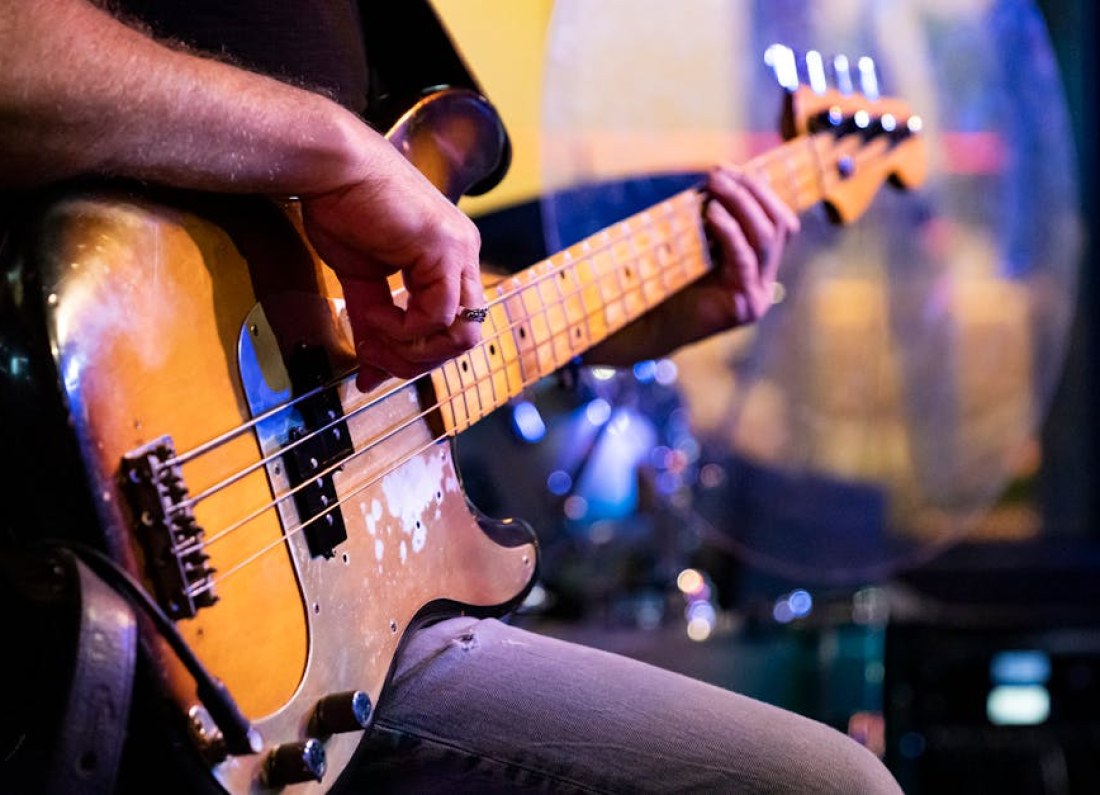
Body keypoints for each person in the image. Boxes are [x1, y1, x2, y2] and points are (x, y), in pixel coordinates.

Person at [0, 1, 902, 792]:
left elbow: (390, 309)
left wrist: (634, 322)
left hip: (327, 616)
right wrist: (334, 149)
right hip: (50, 509)